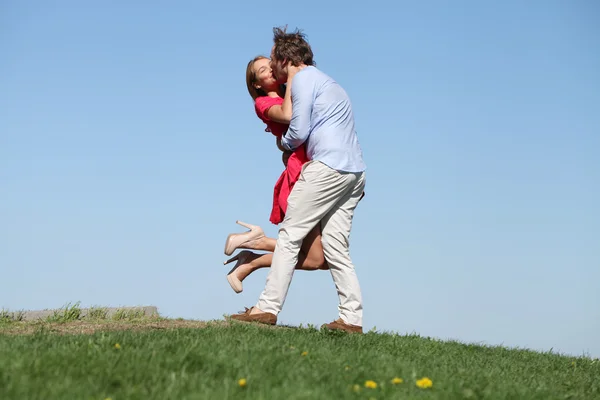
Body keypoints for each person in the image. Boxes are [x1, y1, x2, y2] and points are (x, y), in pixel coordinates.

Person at [229, 27, 367, 334]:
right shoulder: (329, 81)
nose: (273, 69)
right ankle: (351, 319)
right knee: (336, 249)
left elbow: (298, 130)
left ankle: (266, 308)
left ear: (282, 59)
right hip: (354, 171)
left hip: (326, 168)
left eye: (273, 61)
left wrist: (285, 145)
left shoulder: (302, 80)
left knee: (291, 236)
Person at [221, 55, 329, 294]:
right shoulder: (263, 103)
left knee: (324, 260)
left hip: (319, 169)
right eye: (262, 70)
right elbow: (289, 116)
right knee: (315, 259)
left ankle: (254, 250)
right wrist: (292, 76)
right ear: (256, 83)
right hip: (301, 173)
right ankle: (253, 253)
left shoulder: (294, 92)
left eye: (271, 65)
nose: (270, 70)